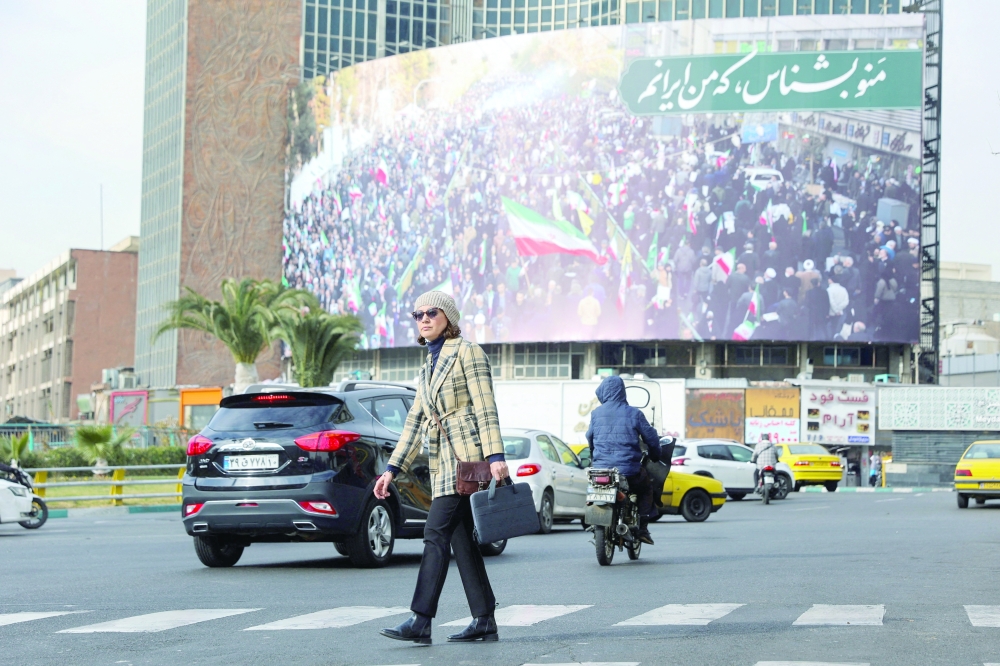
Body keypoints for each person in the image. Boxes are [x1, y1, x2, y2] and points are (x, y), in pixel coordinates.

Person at [374, 290, 507, 645]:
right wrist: (391, 470)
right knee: (462, 542)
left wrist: (495, 457)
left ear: (448, 316)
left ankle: (421, 619)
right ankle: (484, 619)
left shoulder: (468, 352)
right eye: (418, 315)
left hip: (467, 458)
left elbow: (486, 406)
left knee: (434, 533)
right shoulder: (427, 365)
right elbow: (415, 420)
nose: (424, 319)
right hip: (442, 462)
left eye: (432, 312)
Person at [586, 376, 661, 544]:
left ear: (604, 392)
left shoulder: (596, 413)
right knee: (646, 488)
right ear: (622, 392)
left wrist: (594, 456)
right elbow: (652, 438)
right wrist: (656, 454)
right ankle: (642, 528)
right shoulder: (634, 413)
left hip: (601, 471)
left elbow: (589, 437)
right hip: (629, 471)